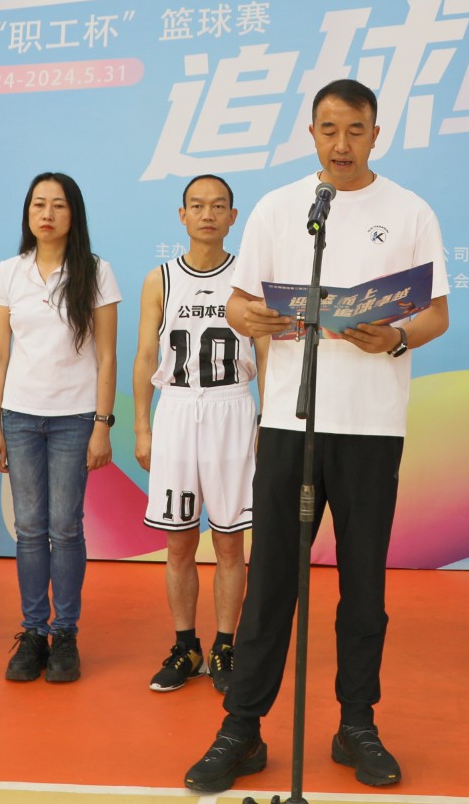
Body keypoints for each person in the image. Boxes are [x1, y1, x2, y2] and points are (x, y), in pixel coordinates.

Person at [184, 79, 450, 795]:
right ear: (311, 133)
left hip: (371, 425)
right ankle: (241, 727)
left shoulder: (410, 210)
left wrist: (397, 336)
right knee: (272, 581)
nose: (341, 143)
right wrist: (249, 317)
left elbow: (436, 313)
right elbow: (239, 301)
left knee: (364, 584)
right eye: (329, 129)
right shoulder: (281, 207)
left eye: (355, 130)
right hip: (289, 423)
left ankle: (356, 723)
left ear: (376, 134)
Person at [0, 172, 121, 684]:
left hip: (75, 418)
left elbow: (107, 356)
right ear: (28, 213)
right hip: (19, 417)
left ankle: (65, 633)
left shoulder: (96, 271)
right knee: (29, 529)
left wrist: (102, 425)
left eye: (58, 205)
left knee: (65, 527)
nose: (47, 214)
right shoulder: (9, 272)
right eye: (38, 204)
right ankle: (32, 633)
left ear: (73, 214)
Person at [133, 174, 264, 694]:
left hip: (233, 407)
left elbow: (269, 356)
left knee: (230, 542)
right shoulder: (160, 279)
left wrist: (268, 420)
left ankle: (226, 646)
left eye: (218, 206)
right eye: (197, 205)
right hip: (178, 408)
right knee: (179, 541)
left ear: (233, 216)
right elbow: (146, 356)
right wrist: (142, 425)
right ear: (182, 215)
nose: (207, 214)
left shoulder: (250, 279)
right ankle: (185, 646)